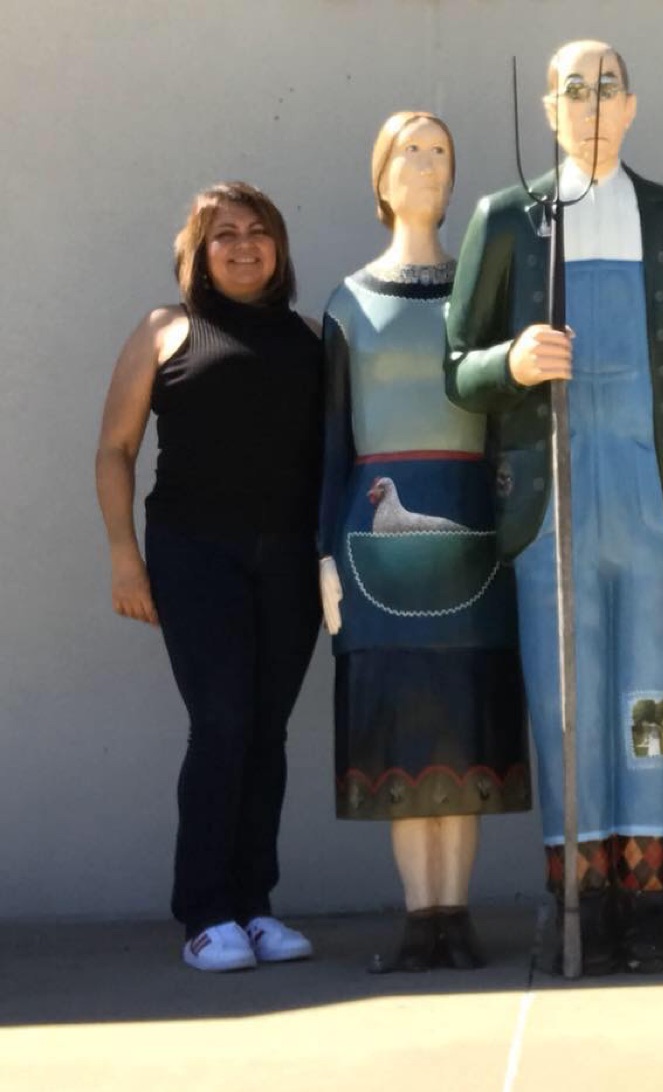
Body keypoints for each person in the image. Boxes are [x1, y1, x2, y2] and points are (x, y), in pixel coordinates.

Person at [445, 41, 663, 974]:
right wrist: (511, 361)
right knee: (564, 703)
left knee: (653, 700)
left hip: (654, 501)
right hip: (554, 505)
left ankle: (649, 908)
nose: (593, 104)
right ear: (549, 109)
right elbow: (457, 367)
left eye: (608, 87)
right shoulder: (506, 219)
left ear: (633, 104)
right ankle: (578, 902)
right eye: (575, 89)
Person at [319, 112, 530, 973]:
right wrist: (323, 552)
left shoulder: (482, 297)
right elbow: (331, 442)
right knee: (403, 727)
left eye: (441, 150)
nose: (426, 163)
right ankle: (420, 917)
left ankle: (457, 913)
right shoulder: (347, 302)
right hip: (372, 539)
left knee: (462, 718)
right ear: (380, 176)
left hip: (475, 521)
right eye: (409, 149)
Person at [95, 182, 323, 972]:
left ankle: (254, 907)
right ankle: (204, 914)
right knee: (221, 724)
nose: (243, 245)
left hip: (288, 560)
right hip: (194, 555)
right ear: (197, 251)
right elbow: (115, 449)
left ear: (279, 248)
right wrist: (124, 556)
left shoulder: (310, 339)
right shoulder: (166, 329)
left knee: (267, 732)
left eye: (258, 231)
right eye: (224, 234)